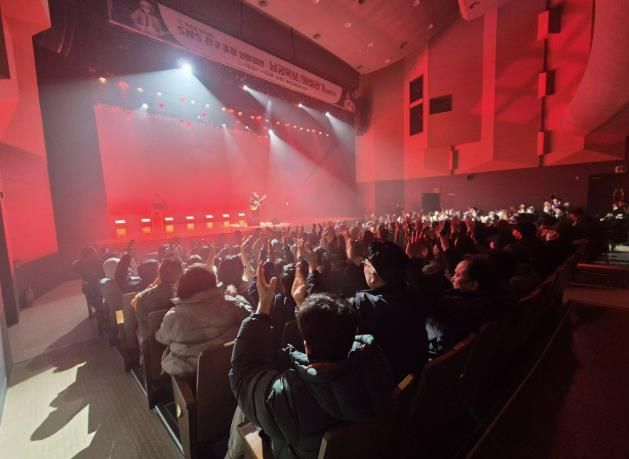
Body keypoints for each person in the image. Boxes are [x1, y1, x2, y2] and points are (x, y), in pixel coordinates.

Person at [228, 263, 394, 459]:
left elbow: (242, 375)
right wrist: (302, 304)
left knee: (244, 414)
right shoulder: (377, 363)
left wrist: (263, 305)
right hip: (363, 450)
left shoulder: (289, 396)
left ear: (306, 346)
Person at [303, 240, 428, 383]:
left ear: (373, 274)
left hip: (385, 383)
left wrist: (312, 268)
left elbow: (320, 309)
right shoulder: (414, 293)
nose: (363, 267)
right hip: (414, 375)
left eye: (365, 264)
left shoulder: (364, 304)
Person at [155, 264, 249, 378]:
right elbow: (251, 320)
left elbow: (161, 338)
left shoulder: (173, 316)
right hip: (230, 368)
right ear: (213, 282)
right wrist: (237, 297)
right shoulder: (231, 304)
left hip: (190, 377)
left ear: (182, 287)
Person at [133, 256, 183, 341]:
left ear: (159, 273)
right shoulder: (186, 299)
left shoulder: (142, 297)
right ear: (181, 274)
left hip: (152, 344)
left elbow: (142, 328)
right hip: (179, 342)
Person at [73, 246, 104, 317]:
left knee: (97, 286)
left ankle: (99, 306)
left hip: (96, 284)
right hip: (90, 286)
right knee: (94, 287)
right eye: (94, 253)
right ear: (89, 255)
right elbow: (74, 265)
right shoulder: (81, 263)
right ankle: (98, 307)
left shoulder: (97, 261)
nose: (96, 254)